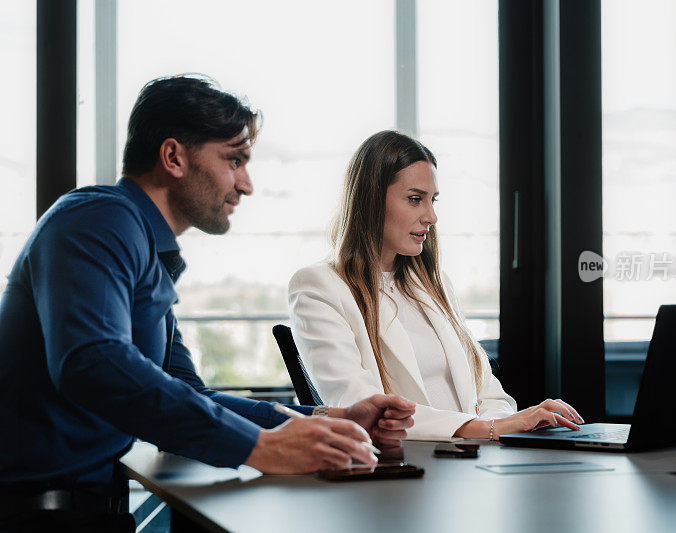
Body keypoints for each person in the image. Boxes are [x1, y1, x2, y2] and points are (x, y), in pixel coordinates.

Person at [0, 77, 414, 531]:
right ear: (174, 157)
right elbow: (93, 362)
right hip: (35, 515)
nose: (246, 185)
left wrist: (325, 417)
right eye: (234, 160)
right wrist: (261, 447)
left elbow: (187, 392)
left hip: (92, 510)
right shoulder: (98, 219)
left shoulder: (147, 254)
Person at [289, 130, 582, 441]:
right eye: (415, 199)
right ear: (371, 198)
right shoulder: (318, 287)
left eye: (432, 200)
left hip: (471, 459)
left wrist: (502, 429)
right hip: (402, 471)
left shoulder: (433, 283)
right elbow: (359, 407)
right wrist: (486, 430)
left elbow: (490, 395)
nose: (431, 216)